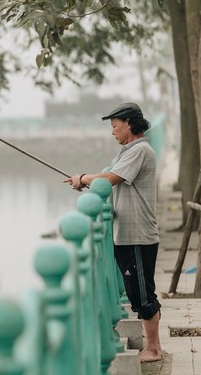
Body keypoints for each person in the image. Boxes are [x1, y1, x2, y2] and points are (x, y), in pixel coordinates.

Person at [62, 102, 162, 363]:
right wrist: (86, 181)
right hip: (128, 232)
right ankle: (153, 346)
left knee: (143, 294)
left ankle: (153, 349)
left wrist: (84, 178)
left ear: (129, 123)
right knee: (137, 291)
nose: (112, 132)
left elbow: (111, 179)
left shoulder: (139, 150)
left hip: (137, 233)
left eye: (115, 126)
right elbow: (110, 178)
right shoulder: (129, 151)